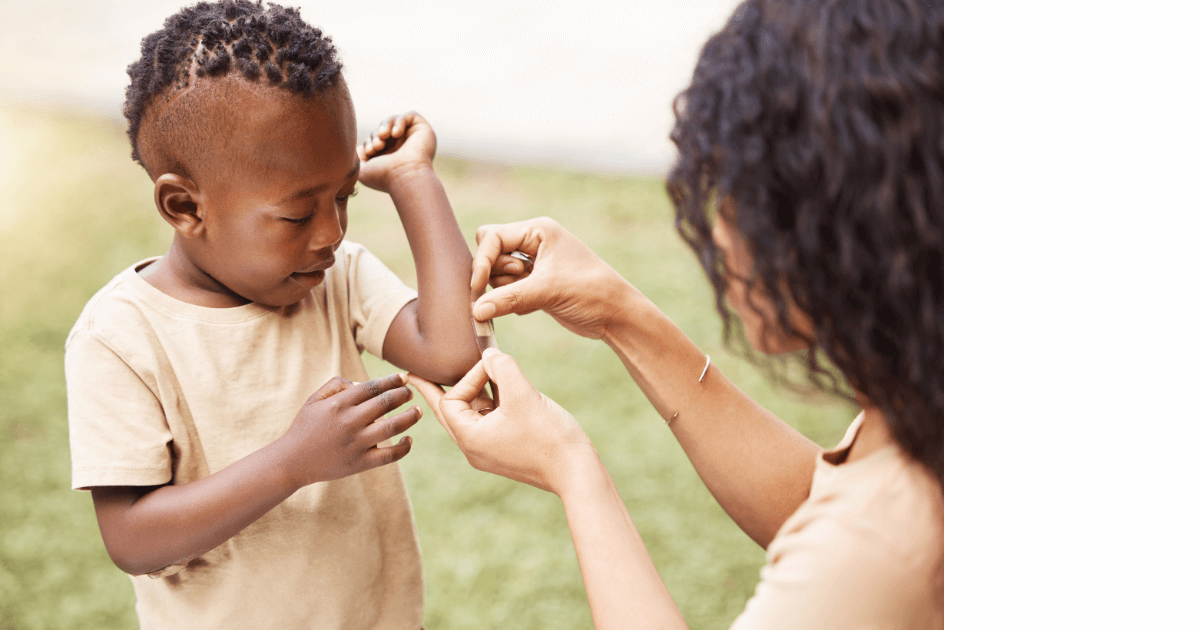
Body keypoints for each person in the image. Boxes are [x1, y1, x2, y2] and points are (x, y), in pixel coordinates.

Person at [409, 0, 943, 628]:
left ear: (838, 224)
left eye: (741, 199)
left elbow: (855, 547)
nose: (718, 231)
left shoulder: (883, 542)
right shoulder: (918, 430)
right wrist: (617, 312)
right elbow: (820, 506)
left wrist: (569, 464)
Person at [63, 1, 477, 628]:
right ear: (183, 206)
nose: (331, 233)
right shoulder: (121, 338)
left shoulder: (337, 280)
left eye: (345, 196)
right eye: (297, 214)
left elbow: (452, 352)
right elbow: (132, 539)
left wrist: (415, 178)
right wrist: (291, 463)